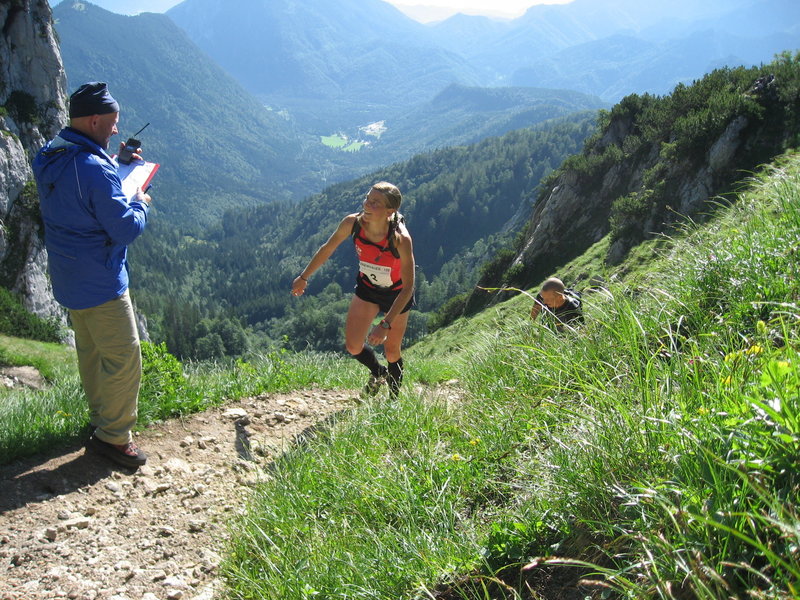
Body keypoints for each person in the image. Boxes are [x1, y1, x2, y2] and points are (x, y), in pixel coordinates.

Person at [32, 82, 153, 468]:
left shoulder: (50, 154)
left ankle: (101, 420)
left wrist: (115, 163)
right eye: (113, 123)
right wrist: (141, 203)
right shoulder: (94, 171)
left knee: (91, 353)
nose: (117, 130)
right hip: (102, 282)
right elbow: (124, 229)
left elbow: (78, 190)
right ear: (96, 119)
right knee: (123, 358)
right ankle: (114, 439)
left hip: (69, 277)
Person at [291, 182, 415, 398]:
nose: (367, 204)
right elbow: (327, 248)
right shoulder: (352, 223)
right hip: (367, 289)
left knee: (392, 351)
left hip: (396, 295)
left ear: (390, 211)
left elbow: (409, 287)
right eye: (367, 198)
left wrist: (385, 324)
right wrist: (304, 277)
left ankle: (394, 402)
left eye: (375, 203)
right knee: (353, 346)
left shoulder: (400, 239)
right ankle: (378, 373)